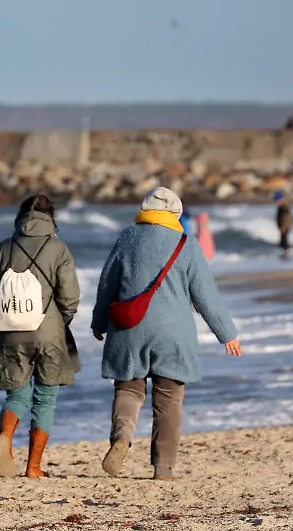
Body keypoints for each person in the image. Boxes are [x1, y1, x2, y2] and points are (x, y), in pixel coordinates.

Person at [91, 187, 241, 481]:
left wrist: (99, 322)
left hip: (128, 330)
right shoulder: (186, 243)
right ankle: (163, 468)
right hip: (173, 334)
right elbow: (205, 296)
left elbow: (107, 284)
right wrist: (227, 334)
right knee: (169, 398)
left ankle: (121, 437)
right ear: (177, 213)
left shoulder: (127, 238)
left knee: (128, 389)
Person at [0, 194, 80, 479]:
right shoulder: (58, 248)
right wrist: (60, 322)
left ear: (20, 217)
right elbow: (70, 296)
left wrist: (3, 318)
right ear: (51, 217)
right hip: (49, 333)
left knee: (17, 394)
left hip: (10, 331)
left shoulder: (5, 247)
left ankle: (6, 440)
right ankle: (33, 467)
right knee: (45, 398)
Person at [274, 191, 292, 258]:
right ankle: (284, 253)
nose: (276, 202)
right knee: (283, 239)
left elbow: (285, 217)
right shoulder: (282, 206)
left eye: (277, 200)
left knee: (284, 239)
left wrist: (283, 226)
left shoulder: (284, 207)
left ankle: (286, 254)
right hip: (284, 226)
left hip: (285, 226)